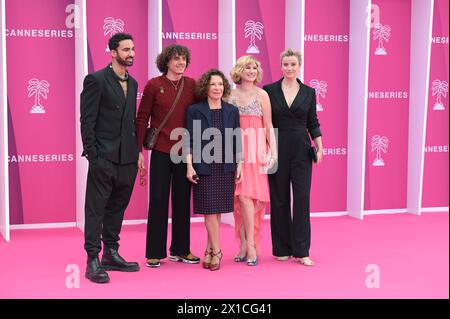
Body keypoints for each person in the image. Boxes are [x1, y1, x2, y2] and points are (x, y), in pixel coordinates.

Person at [80, 33, 140, 284]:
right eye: (126, 49)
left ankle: (111, 253)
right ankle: (92, 258)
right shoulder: (96, 80)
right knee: (96, 210)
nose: (131, 53)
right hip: (103, 157)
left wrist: (136, 154)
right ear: (113, 52)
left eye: (133, 49)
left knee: (117, 207)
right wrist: (94, 156)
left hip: (127, 158)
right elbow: (87, 120)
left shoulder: (133, 82)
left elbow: (131, 122)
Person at [136, 45, 199, 268]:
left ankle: (181, 250)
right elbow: (142, 118)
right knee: (159, 200)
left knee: (182, 202)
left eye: (183, 59)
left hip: (185, 153)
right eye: (176, 59)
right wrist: (139, 151)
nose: (181, 63)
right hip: (161, 151)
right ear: (166, 62)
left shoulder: (192, 85)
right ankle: (154, 252)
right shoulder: (153, 85)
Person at [263, 49, 323, 266]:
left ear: (299, 66)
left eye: (293, 64)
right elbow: (265, 122)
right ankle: (281, 248)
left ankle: (302, 251)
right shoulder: (268, 91)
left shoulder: (309, 92)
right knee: (279, 199)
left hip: (301, 149)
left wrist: (320, 145)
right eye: (286, 64)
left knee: (301, 199)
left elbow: (313, 121)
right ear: (281, 66)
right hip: (276, 148)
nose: (289, 68)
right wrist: (267, 149)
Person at [185, 69, 242, 271]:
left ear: (224, 87)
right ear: (206, 88)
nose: (217, 88)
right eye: (213, 84)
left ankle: (209, 250)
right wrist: (189, 165)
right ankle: (218, 251)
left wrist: (240, 164)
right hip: (204, 165)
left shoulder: (231, 111)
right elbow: (189, 139)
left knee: (216, 212)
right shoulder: (194, 110)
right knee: (209, 211)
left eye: (220, 84)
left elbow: (237, 139)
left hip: (225, 166)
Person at [228, 55, 277, 266]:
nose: (251, 71)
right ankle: (243, 243)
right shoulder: (230, 94)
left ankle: (251, 245)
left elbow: (268, 126)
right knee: (238, 199)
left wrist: (273, 153)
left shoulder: (262, 95)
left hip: (256, 150)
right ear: (240, 70)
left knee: (248, 197)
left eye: (254, 68)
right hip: (236, 150)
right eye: (248, 67)